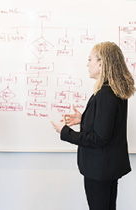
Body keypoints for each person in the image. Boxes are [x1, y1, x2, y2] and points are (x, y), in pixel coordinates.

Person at [51, 41, 135, 210]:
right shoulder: (115, 90)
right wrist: (83, 119)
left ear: (101, 63)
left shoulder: (105, 94)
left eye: (90, 60)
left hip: (100, 170)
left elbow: (99, 138)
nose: (87, 64)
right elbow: (109, 125)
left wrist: (65, 132)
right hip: (108, 167)